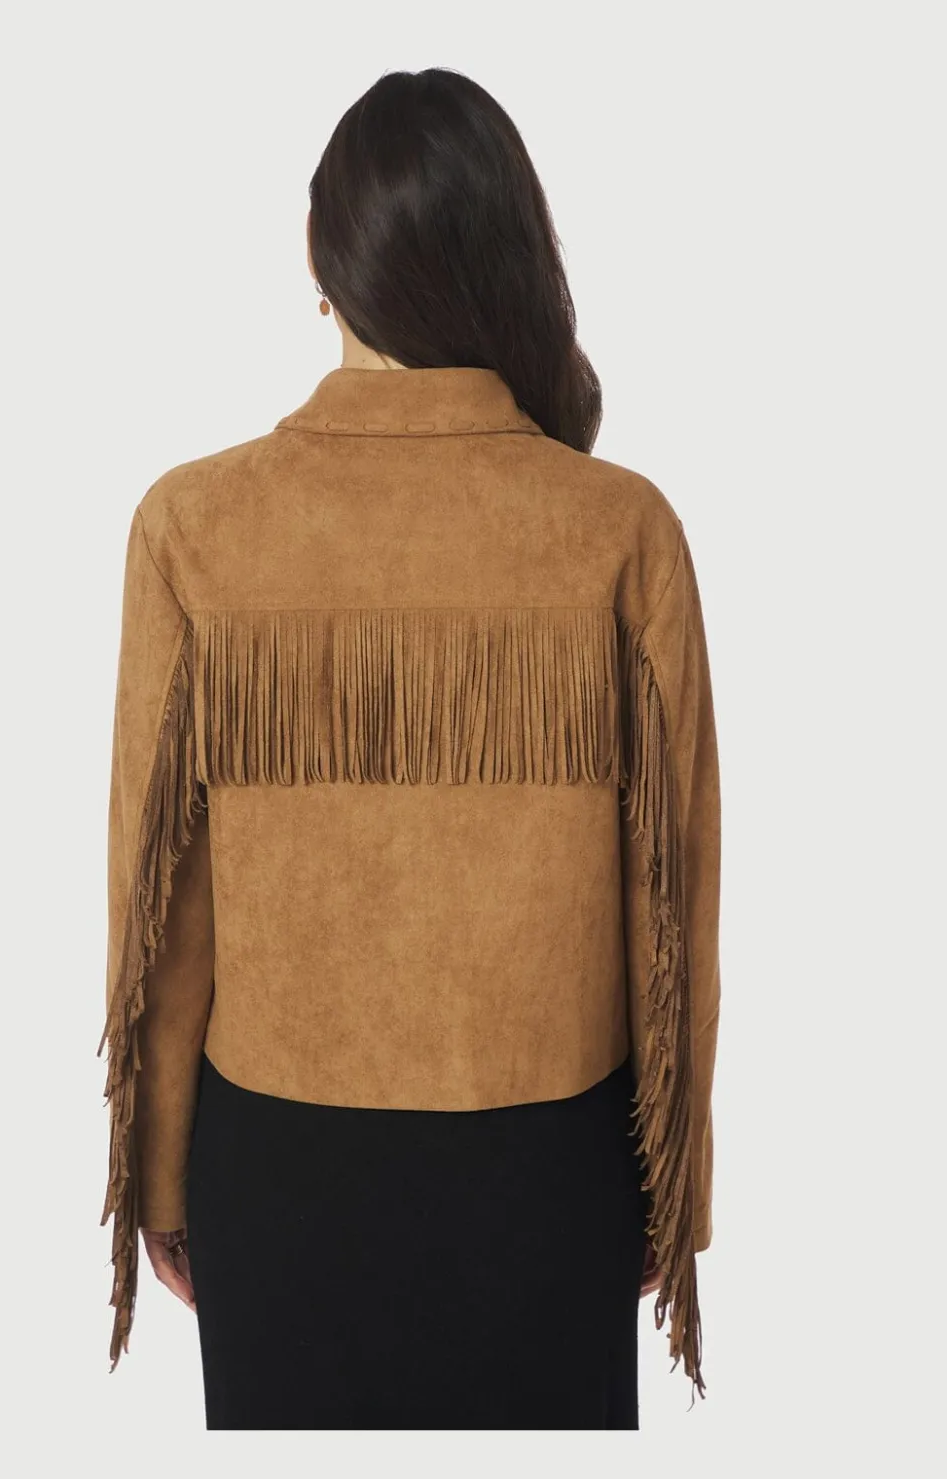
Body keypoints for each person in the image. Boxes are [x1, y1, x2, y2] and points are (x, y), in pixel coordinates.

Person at [98, 65, 722, 1431]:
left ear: (319, 261)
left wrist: (160, 1171)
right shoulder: (618, 528)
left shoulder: (195, 524)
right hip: (551, 1173)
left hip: (278, 1170)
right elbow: (669, 906)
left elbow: (164, 904)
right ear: (511, 259)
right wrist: (668, 1185)